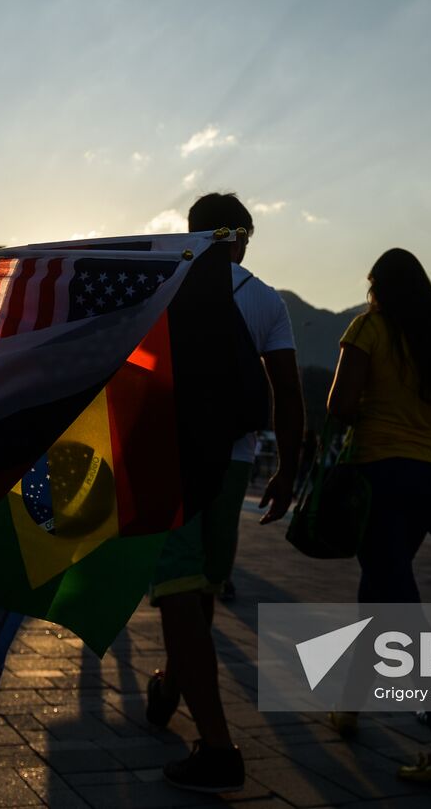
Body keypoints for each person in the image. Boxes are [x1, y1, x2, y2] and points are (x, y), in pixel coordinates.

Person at [147, 192, 304, 793]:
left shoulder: (165, 283)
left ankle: (217, 748)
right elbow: (287, 393)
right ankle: (170, 683)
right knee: (199, 588)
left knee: (183, 594)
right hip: (233, 461)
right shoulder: (267, 300)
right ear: (242, 238)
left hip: (172, 454)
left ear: (192, 234)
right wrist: (288, 471)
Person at [322, 248, 431, 781]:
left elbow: (339, 406)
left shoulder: (370, 329)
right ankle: (351, 705)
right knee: (383, 589)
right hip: (427, 478)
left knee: (400, 608)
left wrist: (375, 412)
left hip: (378, 474)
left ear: (378, 288)